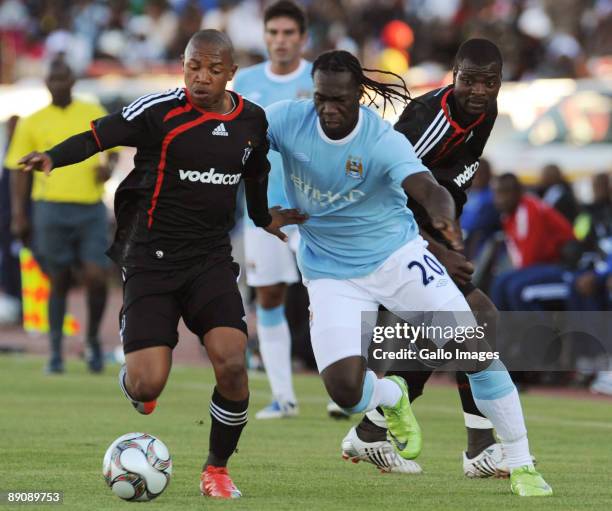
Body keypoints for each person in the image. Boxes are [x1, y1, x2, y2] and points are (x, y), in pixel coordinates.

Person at [17, 30, 305, 499]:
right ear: (183, 64)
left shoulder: (252, 121)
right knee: (149, 382)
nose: (201, 77)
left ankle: (216, 469)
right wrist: (54, 156)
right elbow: (98, 134)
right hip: (150, 260)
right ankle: (134, 383)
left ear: (231, 74)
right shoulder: (159, 112)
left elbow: (255, 172)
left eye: (214, 70)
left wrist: (260, 216)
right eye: (194, 67)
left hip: (210, 260)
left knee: (232, 363)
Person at [266, 49, 552, 496]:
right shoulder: (294, 120)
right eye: (321, 98)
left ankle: (513, 459)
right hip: (333, 268)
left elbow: (429, 187)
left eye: (489, 82)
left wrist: (445, 223)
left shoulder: (392, 135)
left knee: (474, 335)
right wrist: (256, 207)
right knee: (345, 388)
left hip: (397, 253)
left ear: (359, 96)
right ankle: (386, 408)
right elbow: (239, 142)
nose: (329, 109)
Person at [346, 38, 512, 479]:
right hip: (390, 230)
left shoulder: (486, 111)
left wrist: (449, 233)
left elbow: (454, 179)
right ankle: (477, 448)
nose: (479, 90)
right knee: (477, 318)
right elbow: (384, 194)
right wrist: (436, 248)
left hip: (427, 231)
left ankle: (371, 431)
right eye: (469, 80)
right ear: (453, 74)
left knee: (434, 334)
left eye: (489, 81)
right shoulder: (427, 120)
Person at [5, 59, 117, 373]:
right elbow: (18, 171)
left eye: (63, 77)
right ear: (46, 82)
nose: (58, 83)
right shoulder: (32, 121)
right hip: (50, 207)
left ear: (73, 80)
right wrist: (19, 215)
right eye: (53, 78)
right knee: (59, 278)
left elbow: (114, 145)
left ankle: (93, 340)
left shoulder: (91, 109)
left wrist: (107, 169)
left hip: (90, 207)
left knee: (97, 275)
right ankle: (56, 352)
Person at [233, 0, 312, 420]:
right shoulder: (244, 82)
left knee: (330, 295)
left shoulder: (320, 79)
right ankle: (284, 397)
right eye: (274, 33)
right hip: (262, 210)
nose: (280, 41)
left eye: (289, 33)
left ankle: (345, 390)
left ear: (302, 37)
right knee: (269, 295)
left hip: (314, 210)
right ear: (264, 36)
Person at [491, 173, 575, 311]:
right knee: (500, 283)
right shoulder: (509, 214)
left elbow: (531, 257)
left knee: (517, 288)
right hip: (541, 267)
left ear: (518, 192)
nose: (499, 199)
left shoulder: (529, 210)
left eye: (505, 193)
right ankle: (505, 331)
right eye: (496, 193)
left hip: (563, 268)